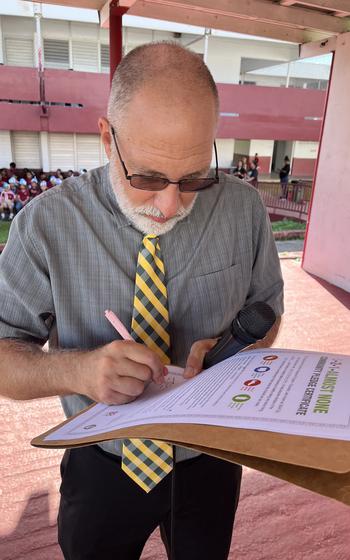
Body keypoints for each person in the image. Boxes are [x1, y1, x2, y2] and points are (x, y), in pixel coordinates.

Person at [0, 42, 283, 560]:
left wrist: (234, 356)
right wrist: (81, 372)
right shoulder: (45, 225)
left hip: (211, 457)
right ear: (108, 138)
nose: (170, 204)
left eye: (195, 176)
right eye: (148, 178)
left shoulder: (243, 210)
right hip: (102, 462)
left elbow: (266, 312)